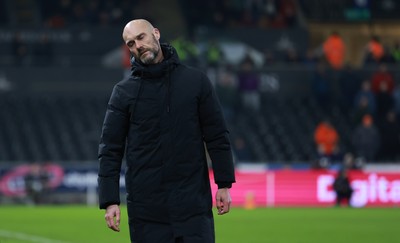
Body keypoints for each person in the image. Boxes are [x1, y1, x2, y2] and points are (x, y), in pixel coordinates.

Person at [97, 19, 236, 243]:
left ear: (156, 34)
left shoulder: (195, 81)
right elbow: (110, 149)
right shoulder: (123, 92)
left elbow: (216, 135)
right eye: (130, 43)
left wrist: (224, 184)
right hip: (146, 213)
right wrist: (110, 201)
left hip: (193, 208)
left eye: (141, 37)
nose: (137, 46)